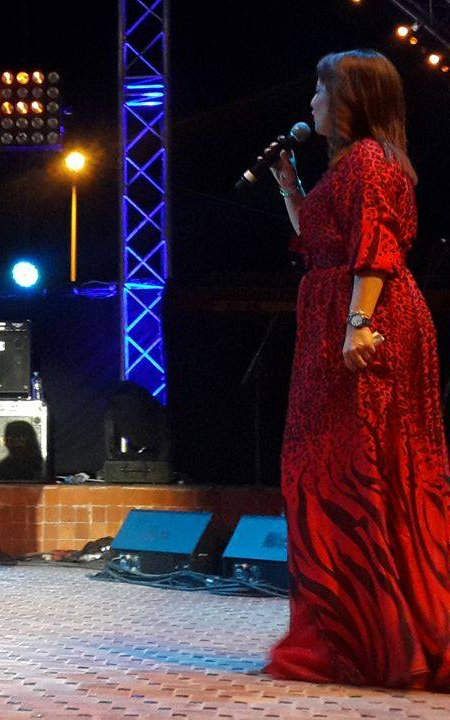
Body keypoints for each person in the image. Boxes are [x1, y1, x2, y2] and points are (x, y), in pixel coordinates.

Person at [265, 50, 450, 688]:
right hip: (337, 318)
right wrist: (289, 185)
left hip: (367, 320)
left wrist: (358, 322)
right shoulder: (348, 165)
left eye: (321, 90)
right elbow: (323, 240)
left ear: (349, 99)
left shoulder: (371, 161)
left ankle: (380, 638)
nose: (312, 101)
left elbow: (376, 248)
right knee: (327, 473)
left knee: (359, 472)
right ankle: (356, 632)